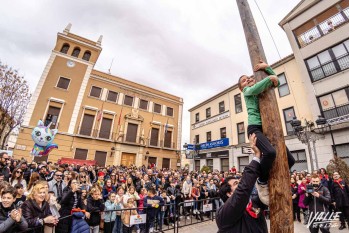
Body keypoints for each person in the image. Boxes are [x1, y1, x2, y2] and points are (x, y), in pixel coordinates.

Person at [238, 61, 295, 205]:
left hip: (267, 128)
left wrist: (267, 68)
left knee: (290, 160)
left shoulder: (259, 88)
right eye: (243, 81)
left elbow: (277, 82)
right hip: (255, 128)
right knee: (270, 153)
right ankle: (261, 181)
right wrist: (270, 78)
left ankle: (273, 178)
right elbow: (269, 82)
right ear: (241, 88)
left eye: (248, 78)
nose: (247, 80)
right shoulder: (247, 91)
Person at [216, 133, 268, 233]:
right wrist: (256, 157)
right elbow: (243, 189)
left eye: (239, 181)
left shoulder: (253, 203)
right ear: (229, 193)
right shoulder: (223, 214)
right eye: (236, 183)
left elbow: (263, 197)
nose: (240, 183)